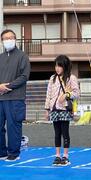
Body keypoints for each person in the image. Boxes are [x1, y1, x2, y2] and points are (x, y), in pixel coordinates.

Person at [0, 29, 31, 161]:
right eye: (5, 38)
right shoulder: (0, 57)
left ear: (15, 39)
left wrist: (8, 86)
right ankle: (2, 153)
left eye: (11, 37)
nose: (8, 40)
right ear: (2, 41)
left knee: (14, 126)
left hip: (15, 98)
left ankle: (14, 153)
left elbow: (24, 76)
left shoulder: (22, 56)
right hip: (0, 98)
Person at [45, 55, 79, 166]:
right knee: (56, 133)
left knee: (65, 132)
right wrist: (47, 109)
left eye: (59, 66)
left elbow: (76, 93)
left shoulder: (71, 78)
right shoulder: (52, 78)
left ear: (65, 66)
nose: (57, 68)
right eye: (56, 66)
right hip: (54, 109)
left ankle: (65, 156)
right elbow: (48, 94)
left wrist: (66, 95)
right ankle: (57, 156)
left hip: (65, 109)